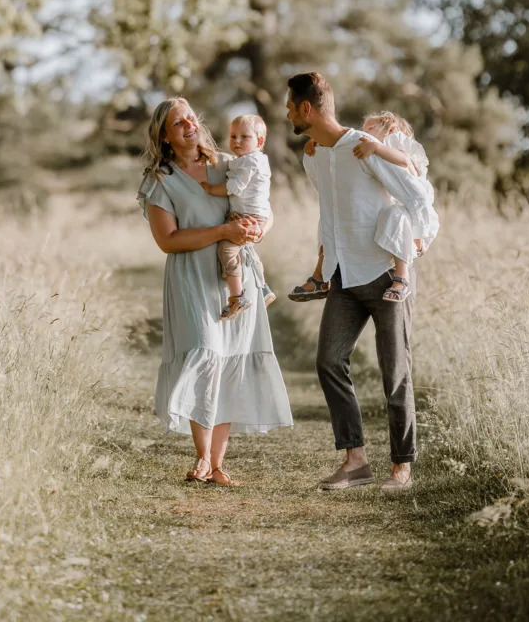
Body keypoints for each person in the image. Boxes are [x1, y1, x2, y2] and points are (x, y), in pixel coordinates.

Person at [286, 73, 437, 493]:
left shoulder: (363, 147)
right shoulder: (313, 156)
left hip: (385, 273)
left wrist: (414, 242)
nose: (286, 114)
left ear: (306, 109)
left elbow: (417, 196)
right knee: (329, 361)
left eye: (289, 106)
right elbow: (330, 213)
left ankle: (401, 468)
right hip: (343, 276)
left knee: (395, 373)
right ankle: (355, 461)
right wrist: (321, 269)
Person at [137, 99, 292, 486]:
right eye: (177, 122)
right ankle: (201, 458)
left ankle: (218, 463)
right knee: (204, 354)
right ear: (165, 135)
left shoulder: (231, 161)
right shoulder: (160, 180)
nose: (189, 125)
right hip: (191, 277)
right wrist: (223, 232)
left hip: (236, 276)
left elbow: (264, 207)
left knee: (230, 361)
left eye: (190, 117)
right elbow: (168, 240)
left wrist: (260, 229)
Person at [290, 110, 438, 304]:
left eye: (370, 129)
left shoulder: (395, 146)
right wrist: (318, 142)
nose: (363, 132)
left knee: (394, 217)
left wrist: (375, 147)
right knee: (330, 217)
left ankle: (402, 278)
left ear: (391, 130)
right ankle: (319, 276)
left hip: (411, 213)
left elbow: (405, 161)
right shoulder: (373, 152)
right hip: (393, 207)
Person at [200, 114, 276, 319]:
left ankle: (237, 297)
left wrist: (210, 189)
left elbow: (234, 187)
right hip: (254, 214)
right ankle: (264, 289)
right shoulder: (250, 160)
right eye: (233, 136)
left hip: (247, 216)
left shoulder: (249, 162)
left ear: (259, 141)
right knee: (248, 251)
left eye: (244, 137)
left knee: (227, 250)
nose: (237, 141)